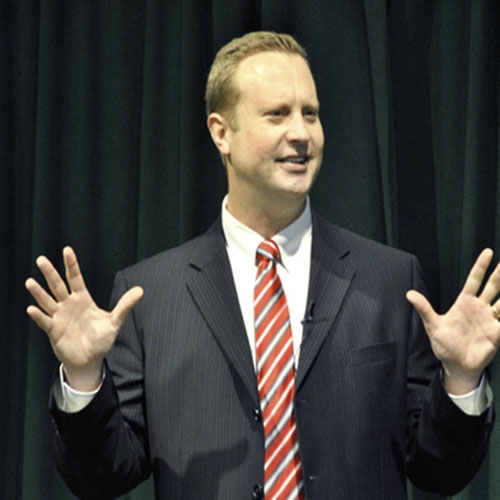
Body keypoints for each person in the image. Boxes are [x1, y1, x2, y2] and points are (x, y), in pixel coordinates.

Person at [25, 31, 499, 500]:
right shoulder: (151, 296)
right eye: (277, 114)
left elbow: (438, 471)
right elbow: (105, 476)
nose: (301, 133)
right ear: (221, 133)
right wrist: (84, 379)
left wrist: (460, 381)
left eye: (310, 113)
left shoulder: (391, 280)